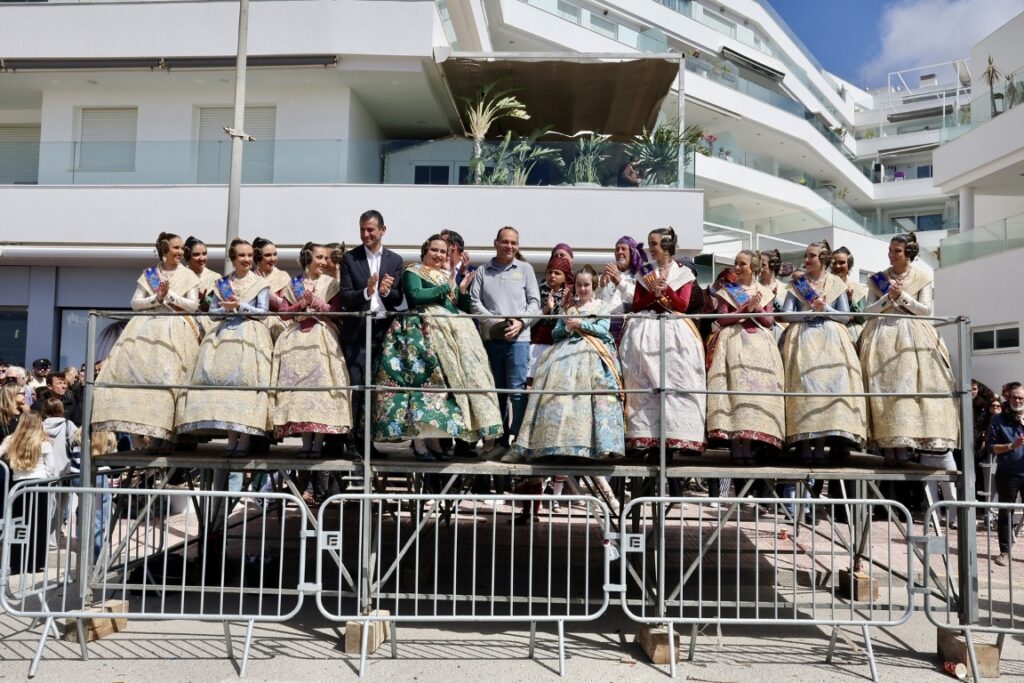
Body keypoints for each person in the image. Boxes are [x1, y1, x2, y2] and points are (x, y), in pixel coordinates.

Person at [373, 235, 502, 459]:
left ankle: (441, 442)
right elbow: (415, 296)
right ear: (425, 251)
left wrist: (460, 291)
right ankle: (421, 444)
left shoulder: (446, 275)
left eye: (443, 252)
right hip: (425, 332)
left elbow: (456, 305)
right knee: (425, 386)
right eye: (434, 250)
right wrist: (445, 287)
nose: (438, 255)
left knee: (453, 388)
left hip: (456, 333)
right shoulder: (414, 271)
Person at [91, 232, 201, 452]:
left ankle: (167, 437)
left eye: (182, 249)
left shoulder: (187, 275)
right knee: (141, 380)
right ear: (164, 250)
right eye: (175, 248)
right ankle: (143, 433)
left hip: (175, 330)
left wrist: (169, 297)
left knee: (170, 381)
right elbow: (135, 303)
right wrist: (156, 299)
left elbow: (193, 305)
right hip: (146, 329)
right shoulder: (150, 274)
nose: (180, 252)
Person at [860, 233, 958, 466]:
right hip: (882, 335)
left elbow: (925, 310)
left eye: (897, 251)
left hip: (913, 334)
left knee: (908, 388)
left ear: (908, 253)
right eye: (890, 250)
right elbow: (868, 310)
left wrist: (902, 296)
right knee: (882, 386)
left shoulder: (923, 276)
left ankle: (905, 444)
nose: (891, 255)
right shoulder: (878, 279)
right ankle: (886, 445)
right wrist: (887, 298)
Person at [512, 265, 625, 460]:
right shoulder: (568, 308)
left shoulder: (601, 306)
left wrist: (581, 324)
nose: (582, 289)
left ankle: (595, 445)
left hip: (593, 352)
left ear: (594, 285)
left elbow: (603, 330)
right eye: (579, 285)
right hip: (564, 352)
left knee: (592, 394)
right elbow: (555, 332)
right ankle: (554, 443)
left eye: (586, 285)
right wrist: (567, 327)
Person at [177, 239, 273, 454]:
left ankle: (246, 439)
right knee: (226, 388)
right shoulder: (222, 283)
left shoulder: (259, 283)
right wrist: (225, 309)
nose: (246, 259)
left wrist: (240, 306)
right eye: (241, 256)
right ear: (233, 259)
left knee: (247, 384)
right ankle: (231, 439)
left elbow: (264, 313)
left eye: (249, 255)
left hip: (249, 334)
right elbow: (212, 313)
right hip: (223, 335)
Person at [620, 227, 706, 456]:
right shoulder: (645, 272)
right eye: (649, 243)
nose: (650, 248)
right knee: (642, 379)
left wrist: (665, 288)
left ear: (667, 247)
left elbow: (682, 306)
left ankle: (676, 432)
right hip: (647, 328)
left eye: (654, 243)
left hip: (674, 329)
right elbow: (637, 304)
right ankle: (643, 434)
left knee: (677, 377)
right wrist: (653, 295)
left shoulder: (683, 274)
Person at [781, 239, 867, 464]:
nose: (807, 260)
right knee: (804, 388)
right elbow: (787, 314)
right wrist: (809, 312)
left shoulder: (836, 283)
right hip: (803, 339)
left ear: (823, 260)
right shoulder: (799, 284)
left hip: (830, 339)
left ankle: (820, 444)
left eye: (811, 256)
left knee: (826, 389)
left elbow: (845, 316)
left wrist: (825, 308)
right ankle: (804, 442)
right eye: (806, 256)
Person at [270, 243, 353, 454]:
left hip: (322, 337)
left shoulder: (331, 283)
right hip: (297, 340)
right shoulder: (294, 283)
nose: (324, 262)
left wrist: (316, 302)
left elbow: (337, 311)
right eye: (319, 258)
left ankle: (317, 444)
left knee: (322, 389)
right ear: (309, 259)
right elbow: (284, 313)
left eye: (326, 258)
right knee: (301, 393)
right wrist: (300, 305)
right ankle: (306, 443)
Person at [469, 226, 541, 461]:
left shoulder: (526, 269)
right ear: (496, 243)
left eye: (514, 243)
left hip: (519, 341)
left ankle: (518, 443)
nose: (510, 246)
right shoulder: (482, 271)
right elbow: (474, 303)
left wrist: (520, 323)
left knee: (517, 392)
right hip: (492, 340)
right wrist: (496, 321)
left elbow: (534, 303)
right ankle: (499, 442)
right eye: (505, 242)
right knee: (497, 392)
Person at [705, 251, 785, 463]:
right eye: (736, 263)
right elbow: (721, 319)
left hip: (759, 344)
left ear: (754, 268)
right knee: (734, 392)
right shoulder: (728, 290)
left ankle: (748, 443)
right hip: (733, 341)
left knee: (751, 395)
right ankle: (734, 444)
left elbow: (768, 321)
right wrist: (743, 310)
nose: (737, 267)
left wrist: (756, 307)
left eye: (742, 264)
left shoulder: (764, 291)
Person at [339, 210, 406, 459]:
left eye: (370, 230)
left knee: (375, 390)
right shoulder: (350, 259)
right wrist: (367, 292)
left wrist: (387, 291)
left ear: (382, 230)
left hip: (381, 331)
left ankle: (369, 442)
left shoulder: (395, 260)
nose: (366, 234)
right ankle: (352, 443)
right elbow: (345, 297)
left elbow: (398, 299)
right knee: (357, 388)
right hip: (358, 332)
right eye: (362, 230)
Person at [1, 412, 59, 572]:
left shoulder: (10, 440)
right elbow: (51, 467)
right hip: (39, 485)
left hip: (18, 485)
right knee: (39, 524)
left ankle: (17, 561)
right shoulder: (44, 442)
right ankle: (35, 562)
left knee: (19, 524)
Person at [988, 385, 1024, 567]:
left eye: (1021, 398)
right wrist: (1011, 446)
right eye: (1014, 398)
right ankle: (1005, 552)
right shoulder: (999, 419)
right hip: (1008, 473)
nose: (1017, 401)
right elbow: (992, 447)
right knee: (1005, 513)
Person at [529, 256, 574, 382]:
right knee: (531, 379)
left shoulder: (570, 294)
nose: (552, 276)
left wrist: (566, 304)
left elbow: (569, 321)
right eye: (550, 272)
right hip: (537, 341)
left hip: (558, 343)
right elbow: (529, 319)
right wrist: (546, 309)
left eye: (557, 273)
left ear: (565, 276)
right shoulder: (537, 291)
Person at [599, 236, 647, 342]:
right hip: (605, 328)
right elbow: (595, 302)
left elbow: (638, 299)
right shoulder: (607, 274)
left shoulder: (642, 275)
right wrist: (600, 286)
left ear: (632, 252)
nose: (619, 252)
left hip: (630, 330)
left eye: (623, 249)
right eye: (617, 249)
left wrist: (619, 282)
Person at [253, 236, 291, 342]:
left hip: (277, 321)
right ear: (258, 257)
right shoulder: (249, 275)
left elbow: (284, 306)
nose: (273, 259)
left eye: (275, 254)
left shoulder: (282, 276)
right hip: (252, 319)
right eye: (268, 255)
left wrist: (266, 291)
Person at [831, 246, 868, 343]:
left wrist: (851, 301)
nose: (837, 266)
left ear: (849, 265)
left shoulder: (858, 288)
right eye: (834, 263)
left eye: (842, 262)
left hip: (851, 331)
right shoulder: (825, 285)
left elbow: (862, 319)